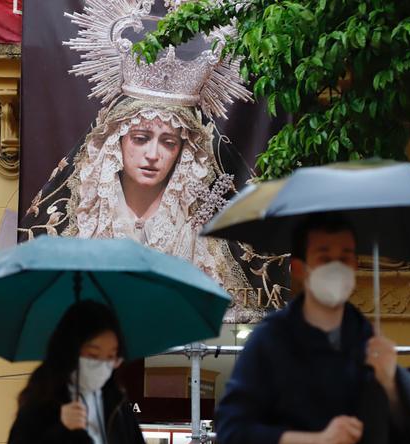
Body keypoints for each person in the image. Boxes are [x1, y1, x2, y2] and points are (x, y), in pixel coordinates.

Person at [215, 213, 410, 444]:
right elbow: (233, 434)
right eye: (325, 257)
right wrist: (316, 440)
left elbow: (400, 437)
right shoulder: (270, 340)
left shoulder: (367, 339)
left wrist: (391, 385)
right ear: (299, 269)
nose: (337, 267)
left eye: (346, 257)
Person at [18, 98, 286, 322]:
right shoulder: (87, 221)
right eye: (141, 138)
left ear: (183, 151)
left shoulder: (201, 237)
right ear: (116, 142)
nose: (153, 155)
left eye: (168, 142)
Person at [2, 300, 158, 444]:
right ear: (69, 350)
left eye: (111, 357)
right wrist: (60, 431)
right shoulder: (44, 401)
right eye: (93, 355)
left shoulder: (117, 404)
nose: (103, 366)